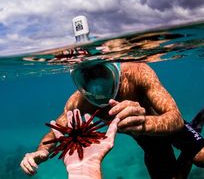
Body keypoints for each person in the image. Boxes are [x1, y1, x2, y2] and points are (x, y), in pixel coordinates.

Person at [20, 61, 204, 178]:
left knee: (202, 158)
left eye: (101, 73)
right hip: (147, 140)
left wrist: (144, 123)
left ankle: (193, 136)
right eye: (88, 78)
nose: (99, 91)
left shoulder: (138, 72)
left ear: (114, 68)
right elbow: (57, 130)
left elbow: (176, 118)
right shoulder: (79, 102)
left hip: (162, 124)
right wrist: (41, 151)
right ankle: (195, 131)